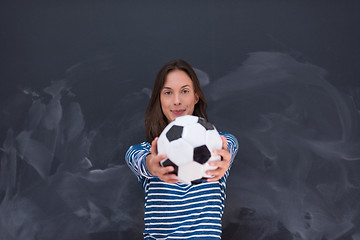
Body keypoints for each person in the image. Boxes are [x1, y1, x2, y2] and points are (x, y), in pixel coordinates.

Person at [125, 59, 238, 239]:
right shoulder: (146, 152)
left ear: (195, 96)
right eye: (168, 93)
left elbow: (229, 145)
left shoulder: (218, 145)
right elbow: (136, 158)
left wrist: (223, 159)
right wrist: (152, 166)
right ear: (159, 99)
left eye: (184, 91)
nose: (177, 101)